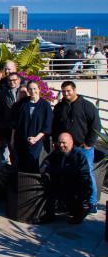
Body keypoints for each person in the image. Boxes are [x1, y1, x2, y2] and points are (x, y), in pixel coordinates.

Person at [51, 81, 101, 215]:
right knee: (66, 176)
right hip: (65, 149)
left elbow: (96, 126)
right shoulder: (60, 107)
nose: (66, 94)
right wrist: (56, 142)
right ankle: (67, 203)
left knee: (87, 174)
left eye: (69, 91)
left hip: (82, 148)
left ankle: (92, 203)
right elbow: (55, 126)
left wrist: (88, 144)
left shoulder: (87, 106)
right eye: (64, 91)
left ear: (74, 90)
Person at [41, 133, 93, 224]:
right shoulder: (58, 152)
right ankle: (49, 216)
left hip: (76, 187)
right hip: (62, 183)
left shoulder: (78, 156)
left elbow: (68, 171)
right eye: (59, 142)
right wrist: (45, 165)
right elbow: (47, 159)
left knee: (70, 197)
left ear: (71, 143)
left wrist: (48, 169)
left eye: (64, 143)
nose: (61, 145)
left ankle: (79, 212)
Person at [10, 80, 53, 173]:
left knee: (33, 165)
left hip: (36, 141)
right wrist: (12, 139)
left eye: (35, 89)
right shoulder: (23, 103)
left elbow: (47, 125)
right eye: (30, 89)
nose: (33, 91)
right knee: (21, 166)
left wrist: (36, 139)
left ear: (39, 89)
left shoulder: (45, 105)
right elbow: (15, 123)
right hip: (21, 140)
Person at [0, 73, 21, 162]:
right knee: (4, 149)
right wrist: (1, 124)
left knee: (16, 151)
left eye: (14, 80)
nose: (12, 82)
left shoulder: (23, 92)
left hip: (19, 126)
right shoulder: (3, 94)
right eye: (10, 80)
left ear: (19, 80)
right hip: (6, 126)